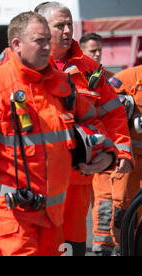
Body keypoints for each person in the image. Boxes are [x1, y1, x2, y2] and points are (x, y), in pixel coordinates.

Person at [0, 11, 116, 256]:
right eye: (39, 40)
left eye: (46, 40)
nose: (46, 46)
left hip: (52, 217)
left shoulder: (60, 85)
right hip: (13, 217)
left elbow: (93, 119)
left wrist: (109, 153)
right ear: (16, 44)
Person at [37, 2, 133, 256]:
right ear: (42, 28)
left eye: (70, 24)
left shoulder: (89, 68)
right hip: (37, 178)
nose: (68, 30)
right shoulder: (22, 64)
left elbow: (113, 113)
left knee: (72, 247)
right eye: (60, 25)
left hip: (78, 178)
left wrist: (121, 151)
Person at [92, 64, 142, 255]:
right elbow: (106, 111)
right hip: (130, 161)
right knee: (120, 208)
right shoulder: (127, 79)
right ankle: (117, 248)